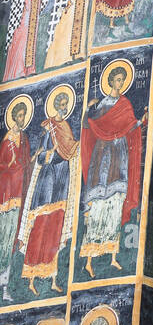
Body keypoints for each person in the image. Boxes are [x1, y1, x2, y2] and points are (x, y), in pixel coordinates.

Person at [79, 63, 145, 278]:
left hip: (119, 154)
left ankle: (113, 256)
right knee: (99, 204)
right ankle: (89, 259)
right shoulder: (102, 105)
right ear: (110, 82)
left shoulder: (125, 104)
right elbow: (88, 126)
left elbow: (130, 126)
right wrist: (89, 108)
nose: (120, 83)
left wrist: (141, 121)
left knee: (115, 202)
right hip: (103, 155)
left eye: (122, 80)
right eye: (117, 80)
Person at [17, 87, 79, 296]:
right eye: (61, 105)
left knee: (56, 226)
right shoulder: (49, 127)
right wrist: (50, 155)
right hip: (46, 182)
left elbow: (69, 149)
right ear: (55, 106)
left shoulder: (66, 127)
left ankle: (52, 278)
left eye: (65, 106)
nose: (63, 109)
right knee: (40, 227)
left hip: (61, 180)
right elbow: (42, 156)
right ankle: (31, 279)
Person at [0, 99, 31, 302]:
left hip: (18, 198)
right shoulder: (6, 141)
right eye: (18, 116)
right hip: (5, 198)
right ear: (13, 117)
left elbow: (26, 163)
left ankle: (5, 286)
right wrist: (9, 164)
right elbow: (3, 165)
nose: (21, 119)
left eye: (23, 116)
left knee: (10, 242)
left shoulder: (25, 139)